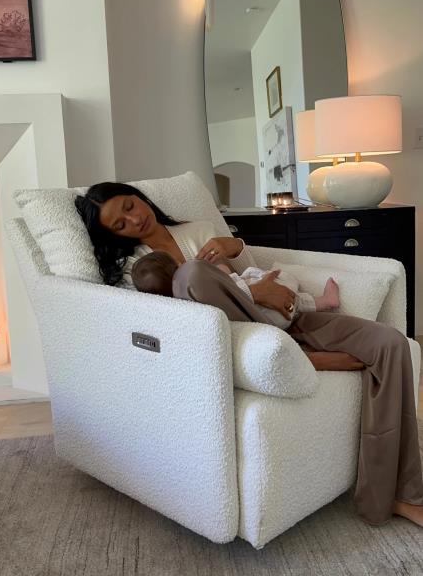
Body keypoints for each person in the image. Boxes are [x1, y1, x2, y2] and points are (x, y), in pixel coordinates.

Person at [75, 181, 423, 528]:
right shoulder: (132, 268)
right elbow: (169, 324)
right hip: (242, 339)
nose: (134, 220)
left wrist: (236, 246)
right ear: (115, 235)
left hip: (282, 317)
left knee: (390, 343)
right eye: (120, 224)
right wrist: (255, 293)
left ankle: (400, 494)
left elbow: (252, 268)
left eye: (130, 207)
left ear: (139, 198)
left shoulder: (197, 231)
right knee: (192, 273)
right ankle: (304, 358)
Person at [130, 249, 341, 331]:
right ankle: (323, 301)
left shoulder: (183, 309)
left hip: (268, 326)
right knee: (271, 276)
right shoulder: (195, 281)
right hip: (271, 317)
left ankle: (320, 303)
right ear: (178, 264)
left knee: (251, 277)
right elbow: (233, 290)